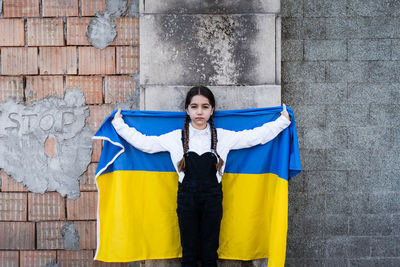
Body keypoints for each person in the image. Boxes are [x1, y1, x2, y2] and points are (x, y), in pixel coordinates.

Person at [111, 86, 291, 267]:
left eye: (205, 107)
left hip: (213, 199)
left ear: (212, 110)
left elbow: (255, 136)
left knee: (209, 253)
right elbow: (145, 143)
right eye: (194, 106)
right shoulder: (176, 137)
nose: (199, 111)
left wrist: (282, 122)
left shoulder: (222, 137)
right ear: (187, 109)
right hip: (186, 199)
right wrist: (119, 124)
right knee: (188, 253)